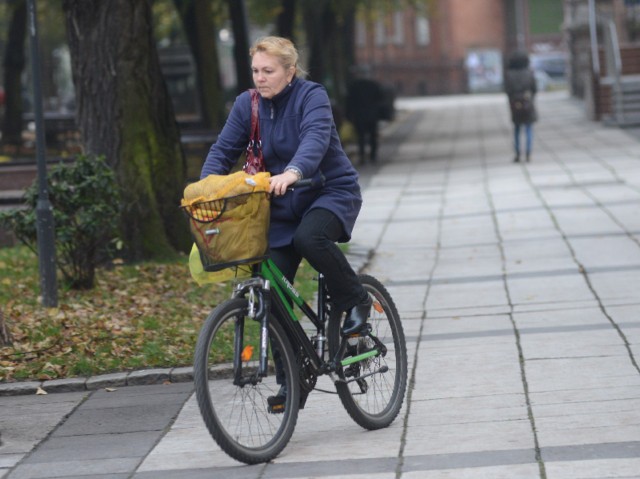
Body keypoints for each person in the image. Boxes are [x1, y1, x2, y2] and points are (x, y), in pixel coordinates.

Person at [200, 36, 372, 400]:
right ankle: (292, 377)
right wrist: (205, 191)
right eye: (255, 71)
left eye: (268, 71)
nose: (260, 78)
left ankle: (355, 298)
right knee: (269, 287)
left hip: (327, 191)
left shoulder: (312, 97)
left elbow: (315, 139)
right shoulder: (247, 105)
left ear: (290, 71)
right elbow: (223, 151)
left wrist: (293, 172)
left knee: (309, 239)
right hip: (278, 206)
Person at [504, 51, 538, 162]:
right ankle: (528, 153)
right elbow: (534, 88)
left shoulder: (509, 74)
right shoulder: (529, 73)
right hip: (527, 102)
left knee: (517, 130)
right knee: (528, 129)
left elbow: (507, 90)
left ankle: (518, 153)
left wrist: (513, 98)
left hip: (515, 103)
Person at [346, 68, 384, 164]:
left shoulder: (354, 86)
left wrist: (348, 115)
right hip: (372, 115)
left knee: (361, 136)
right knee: (373, 136)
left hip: (359, 116)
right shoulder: (374, 85)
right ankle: (373, 155)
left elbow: (349, 102)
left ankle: (362, 155)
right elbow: (380, 100)